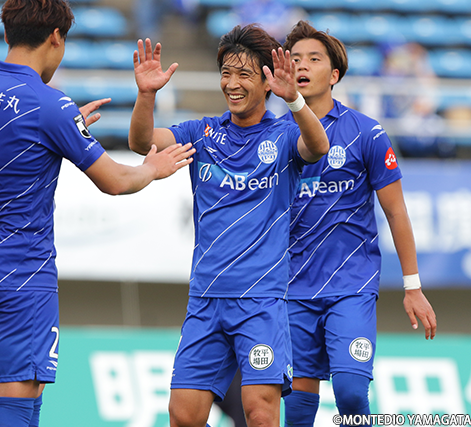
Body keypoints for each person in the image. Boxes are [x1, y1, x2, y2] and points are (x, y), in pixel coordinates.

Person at [0, 1, 195, 426]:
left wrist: (66, 129)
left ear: (8, 32)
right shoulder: (50, 104)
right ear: (56, 37)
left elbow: (6, 141)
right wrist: (152, 168)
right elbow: (115, 181)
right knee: (17, 398)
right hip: (20, 272)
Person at [128, 24, 329, 427]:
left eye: (244, 74)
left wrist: (294, 100)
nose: (232, 84)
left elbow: (318, 146)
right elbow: (141, 141)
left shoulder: (284, 136)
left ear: (268, 82)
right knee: (183, 416)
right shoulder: (201, 134)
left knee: (260, 413)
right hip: (205, 300)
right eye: (226, 73)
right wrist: (147, 95)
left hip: (260, 303)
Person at [282, 21, 437, 426]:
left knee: (351, 393)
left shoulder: (366, 133)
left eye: (313, 59)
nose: (302, 65)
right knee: (296, 408)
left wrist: (412, 286)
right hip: (292, 289)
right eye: (295, 58)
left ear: (334, 75)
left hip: (351, 286)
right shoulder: (275, 135)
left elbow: (396, 212)